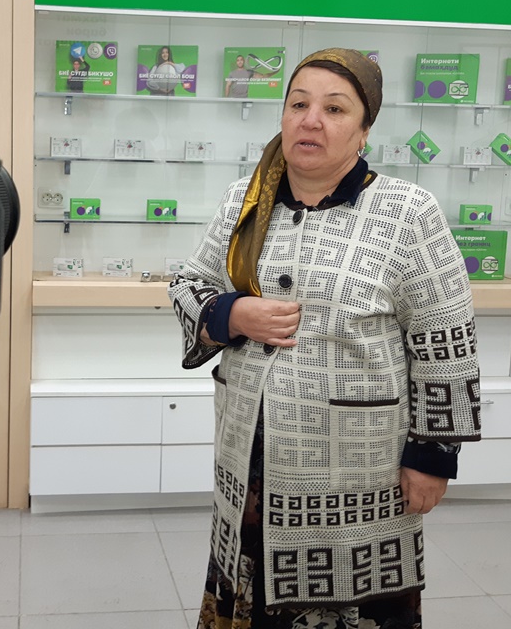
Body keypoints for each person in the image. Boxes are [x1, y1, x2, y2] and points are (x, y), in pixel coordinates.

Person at [169, 48, 481, 628]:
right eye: (298, 104)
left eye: (334, 109)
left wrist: (433, 456)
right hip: (251, 461)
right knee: (252, 594)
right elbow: (189, 285)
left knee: (350, 602)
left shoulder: (408, 212)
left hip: (359, 473)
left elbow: (446, 340)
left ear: (364, 130)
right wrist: (233, 313)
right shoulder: (244, 201)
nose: (310, 120)